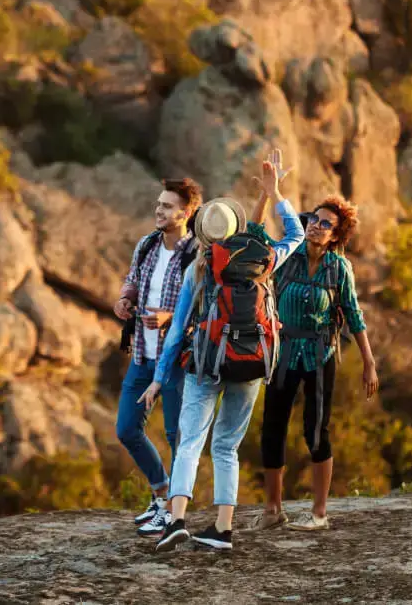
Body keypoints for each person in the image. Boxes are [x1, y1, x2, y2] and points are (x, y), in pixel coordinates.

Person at [144, 152, 305, 552]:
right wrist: (275, 194)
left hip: (205, 363)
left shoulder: (198, 267)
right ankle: (222, 529)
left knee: (190, 443)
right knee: (227, 446)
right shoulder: (262, 260)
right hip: (251, 363)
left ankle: (177, 520)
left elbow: (179, 329)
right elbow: (296, 236)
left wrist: (159, 379)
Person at [249, 195, 380, 532]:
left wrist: (369, 362)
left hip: (320, 356)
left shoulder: (339, 268)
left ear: (336, 235)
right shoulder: (288, 255)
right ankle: (272, 510)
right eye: (313, 220)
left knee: (316, 431)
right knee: (273, 428)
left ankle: (319, 514)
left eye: (325, 224)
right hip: (283, 352)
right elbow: (254, 235)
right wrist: (269, 193)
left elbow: (353, 314)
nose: (315, 227)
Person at [113, 178, 202, 536]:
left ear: (186, 212)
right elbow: (132, 278)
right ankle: (161, 491)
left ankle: (173, 511)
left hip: (177, 360)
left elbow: (203, 306)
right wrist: (125, 298)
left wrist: (170, 317)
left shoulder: (197, 253)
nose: (159, 210)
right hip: (141, 355)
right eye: (159, 204)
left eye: (167, 206)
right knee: (127, 429)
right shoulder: (147, 245)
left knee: (176, 435)